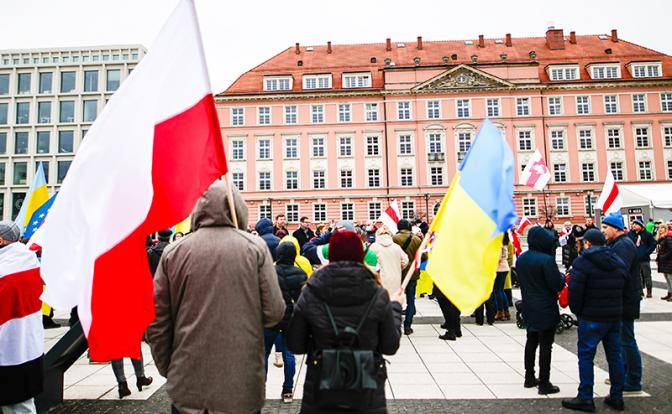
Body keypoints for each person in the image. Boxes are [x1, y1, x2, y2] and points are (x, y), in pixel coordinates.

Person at [147, 181, 285, 414]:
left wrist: (168, 368)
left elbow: (156, 321)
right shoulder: (255, 248)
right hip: (241, 383)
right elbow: (274, 313)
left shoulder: (174, 252)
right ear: (238, 209)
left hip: (188, 382)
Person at [287, 230, 403, 414]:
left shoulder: (310, 291)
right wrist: (395, 307)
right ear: (360, 254)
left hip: (320, 391)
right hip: (366, 395)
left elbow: (295, 344)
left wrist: (321, 342)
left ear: (330, 254)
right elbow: (390, 346)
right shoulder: (378, 293)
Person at [562, 229, 627, 412]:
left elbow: (575, 293)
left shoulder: (582, 263)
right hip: (614, 317)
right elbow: (627, 285)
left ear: (588, 243)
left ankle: (585, 397)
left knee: (586, 356)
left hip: (591, 317)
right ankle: (617, 396)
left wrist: (579, 312)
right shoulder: (617, 261)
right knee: (615, 356)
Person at [0, 221, 43, 414]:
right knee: (24, 403)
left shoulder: (5, 270)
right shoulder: (29, 260)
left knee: (15, 405)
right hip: (30, 345)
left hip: (8, 350)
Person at [515, 226, 565, 395]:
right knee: (546, 346)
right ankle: (544, 383)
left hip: (529, 306)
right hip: (545, 307)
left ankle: (529, 377)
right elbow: (556, 284)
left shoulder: (521, 259)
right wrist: (562, 277)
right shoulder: (546, 260)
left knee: (531, 342)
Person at [601, 213, 643, 394]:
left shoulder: (623, 246)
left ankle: (633, 380)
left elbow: (618, 272)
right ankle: (622, 374)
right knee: (621, 339)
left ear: (615, 228)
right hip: (623, 298)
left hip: (626, 300)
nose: (603, 231)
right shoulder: (618, 244)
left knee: (627, 340)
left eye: (605, 227)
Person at [264, 242, 307, 403]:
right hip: (290, 320)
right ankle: (288, 390)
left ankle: (261, 388)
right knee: (289, 356)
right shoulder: (301, 274)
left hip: (270, 319)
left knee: (263, 355)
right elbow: (303, 300)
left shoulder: (268, 272)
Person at [393, 219, 422, 335]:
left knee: (395, 300)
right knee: (411, 301)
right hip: (412, 273)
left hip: (398, 272)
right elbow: (423, 256)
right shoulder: (416, 239)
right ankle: (408, 326)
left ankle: (395, 325)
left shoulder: (394, 238)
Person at [369, 225, 408, 298]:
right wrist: (398, 267)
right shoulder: (396, 247)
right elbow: (405, 260)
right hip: (395, 278)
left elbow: (369, 264)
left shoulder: (374, 247)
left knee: (381, 301)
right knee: (394, 301)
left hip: (380, 279)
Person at [627, 219, 657, 298]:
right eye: (633, 224)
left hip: (644, 259)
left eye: (636, 224)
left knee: (647, 276)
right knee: (637, 277)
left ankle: (649, 291)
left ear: (641, 226)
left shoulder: (647, 234)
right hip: (635, 259)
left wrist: (647, 252)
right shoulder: (630, 234)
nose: (634, 226)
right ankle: (640, 292)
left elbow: (653, 244)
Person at [494, 233, 511, 321]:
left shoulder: (499, 243)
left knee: (498, 291)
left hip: (499, 268)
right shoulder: (504, 242)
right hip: (504, 267)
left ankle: (500, 312)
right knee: (501, 290)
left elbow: (497, 257)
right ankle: (506, 311)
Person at [658, 223, 672, 301]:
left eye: (662, 228)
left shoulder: (668, 238)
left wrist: (663, 257)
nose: (660, 229)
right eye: (660, 228)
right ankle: (669, 293)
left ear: (666, 229)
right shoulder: (662, 238)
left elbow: (671, 250)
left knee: (670, 278)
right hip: (664, 262)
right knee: (667, 278)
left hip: (669, 261)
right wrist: (658, 259)